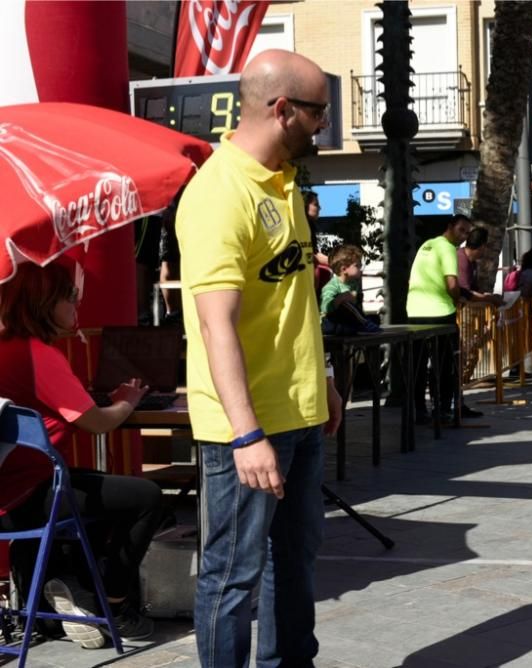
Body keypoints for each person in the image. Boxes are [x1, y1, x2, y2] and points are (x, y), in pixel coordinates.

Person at [175, 49, 343, 667]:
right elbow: (215, 325)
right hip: (243, 427)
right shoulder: (220, 193)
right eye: (319, 113)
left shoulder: (287, 184)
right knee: (232, 574)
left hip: (298, 413)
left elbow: (297, 298)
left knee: (294, 563)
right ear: (283, 110)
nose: (325, 124)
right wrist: (247, 434)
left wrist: (320, 379)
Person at [0, 262, 162, 649]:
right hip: (37, 493)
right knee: (146, 498)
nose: (78, 305)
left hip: (8, 493)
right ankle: (114, 603)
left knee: (98, 490)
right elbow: (97, 423)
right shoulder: (39, 354)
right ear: (43, 302)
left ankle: (62, 594)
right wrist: (126, 401)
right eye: (70, 297)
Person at [407, 214, 470, 421]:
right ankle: (442, 408)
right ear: (450, 227)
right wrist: (458, 300)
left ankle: (417, 409)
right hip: (440, 313)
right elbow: (452, 283)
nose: (464, 236)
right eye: (461, 230)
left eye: (467, 233)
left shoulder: (427, 245)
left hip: (415, 313)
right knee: (444, 364)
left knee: (417, 364)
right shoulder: (448, 249)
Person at [320, 244, 379, 335]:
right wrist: (341, 298)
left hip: (346, 321)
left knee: (375, 318)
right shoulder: (331, 286)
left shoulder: (354, 284)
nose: (360, 269)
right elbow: (325, 307)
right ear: (344, 269)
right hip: (330, 323)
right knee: (346, 304)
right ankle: (364, 324)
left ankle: (359, 325)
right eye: (357, 266)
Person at [458, 227, 504, 307]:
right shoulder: (462, 260)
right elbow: (466, 293)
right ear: (482, 246)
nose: (487, 250)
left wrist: (489, 296)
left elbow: (474, 288)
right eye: (487, 246)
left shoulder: (472, 261)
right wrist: (489, 299)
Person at [303, 190, 329, 267]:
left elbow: (314, 253)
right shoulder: (298, 227)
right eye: (316, 204)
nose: (320, 208)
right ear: (305, 205)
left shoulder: (310, 226)